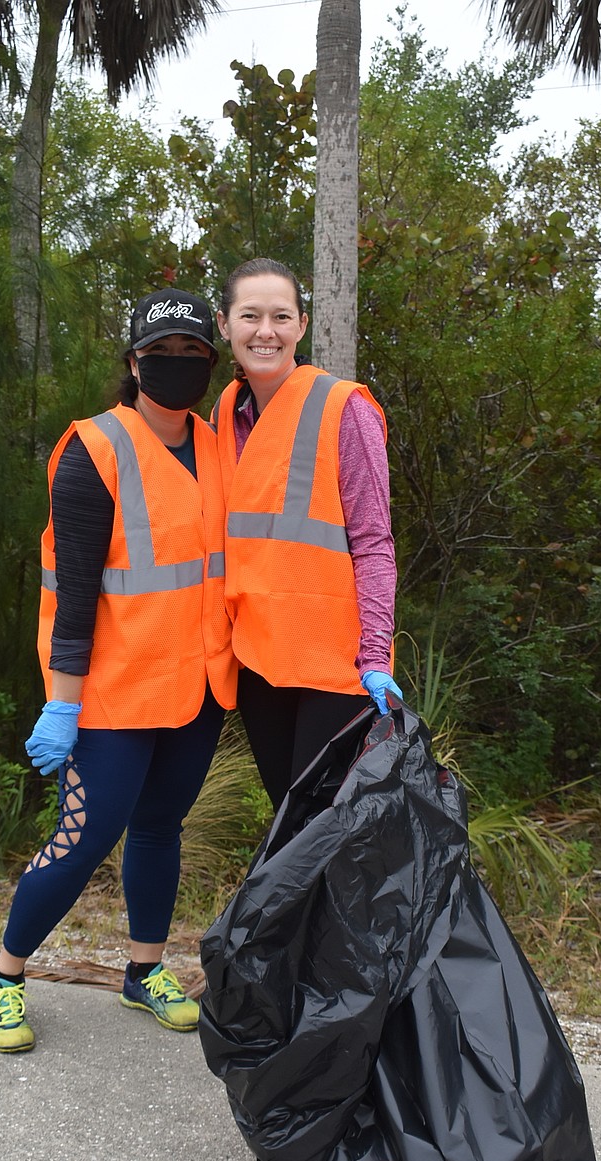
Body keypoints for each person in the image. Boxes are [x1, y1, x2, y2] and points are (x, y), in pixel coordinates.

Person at [0, 288, 236, 1054]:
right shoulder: (95, 448)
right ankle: (5, 976)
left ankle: (143, 972)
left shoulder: (220, 444)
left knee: (161, 827)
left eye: (195, 355)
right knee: (85, 837)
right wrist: (63, 704)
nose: (179, 367)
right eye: (164, 354)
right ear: (133, 362)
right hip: (114, 694)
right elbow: (75, 587)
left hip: (197, 690)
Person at [212, 257, 400, 812]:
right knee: (290, 822)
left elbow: (373, 542)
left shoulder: (344, 408)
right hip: (258, 659)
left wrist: (375, 657)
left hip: (333, 665)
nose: (264, 331)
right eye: (250, 316)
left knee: (326, 830)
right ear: (225, 326)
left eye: (280, 316)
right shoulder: (228, 410)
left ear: (301, 324)